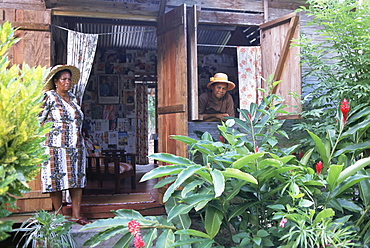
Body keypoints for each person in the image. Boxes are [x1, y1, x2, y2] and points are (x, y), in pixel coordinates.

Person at [39, 65, 92, 225]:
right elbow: (38, 121)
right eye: (64, 79)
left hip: (76, 147)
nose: (67, 82)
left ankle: (77, 215)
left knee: (76, 181)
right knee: (56, 181)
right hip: (55, 148)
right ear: (56, 82)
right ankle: (59, 216)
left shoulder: (74, 98)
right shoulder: (49, 97)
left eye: (69, 79)